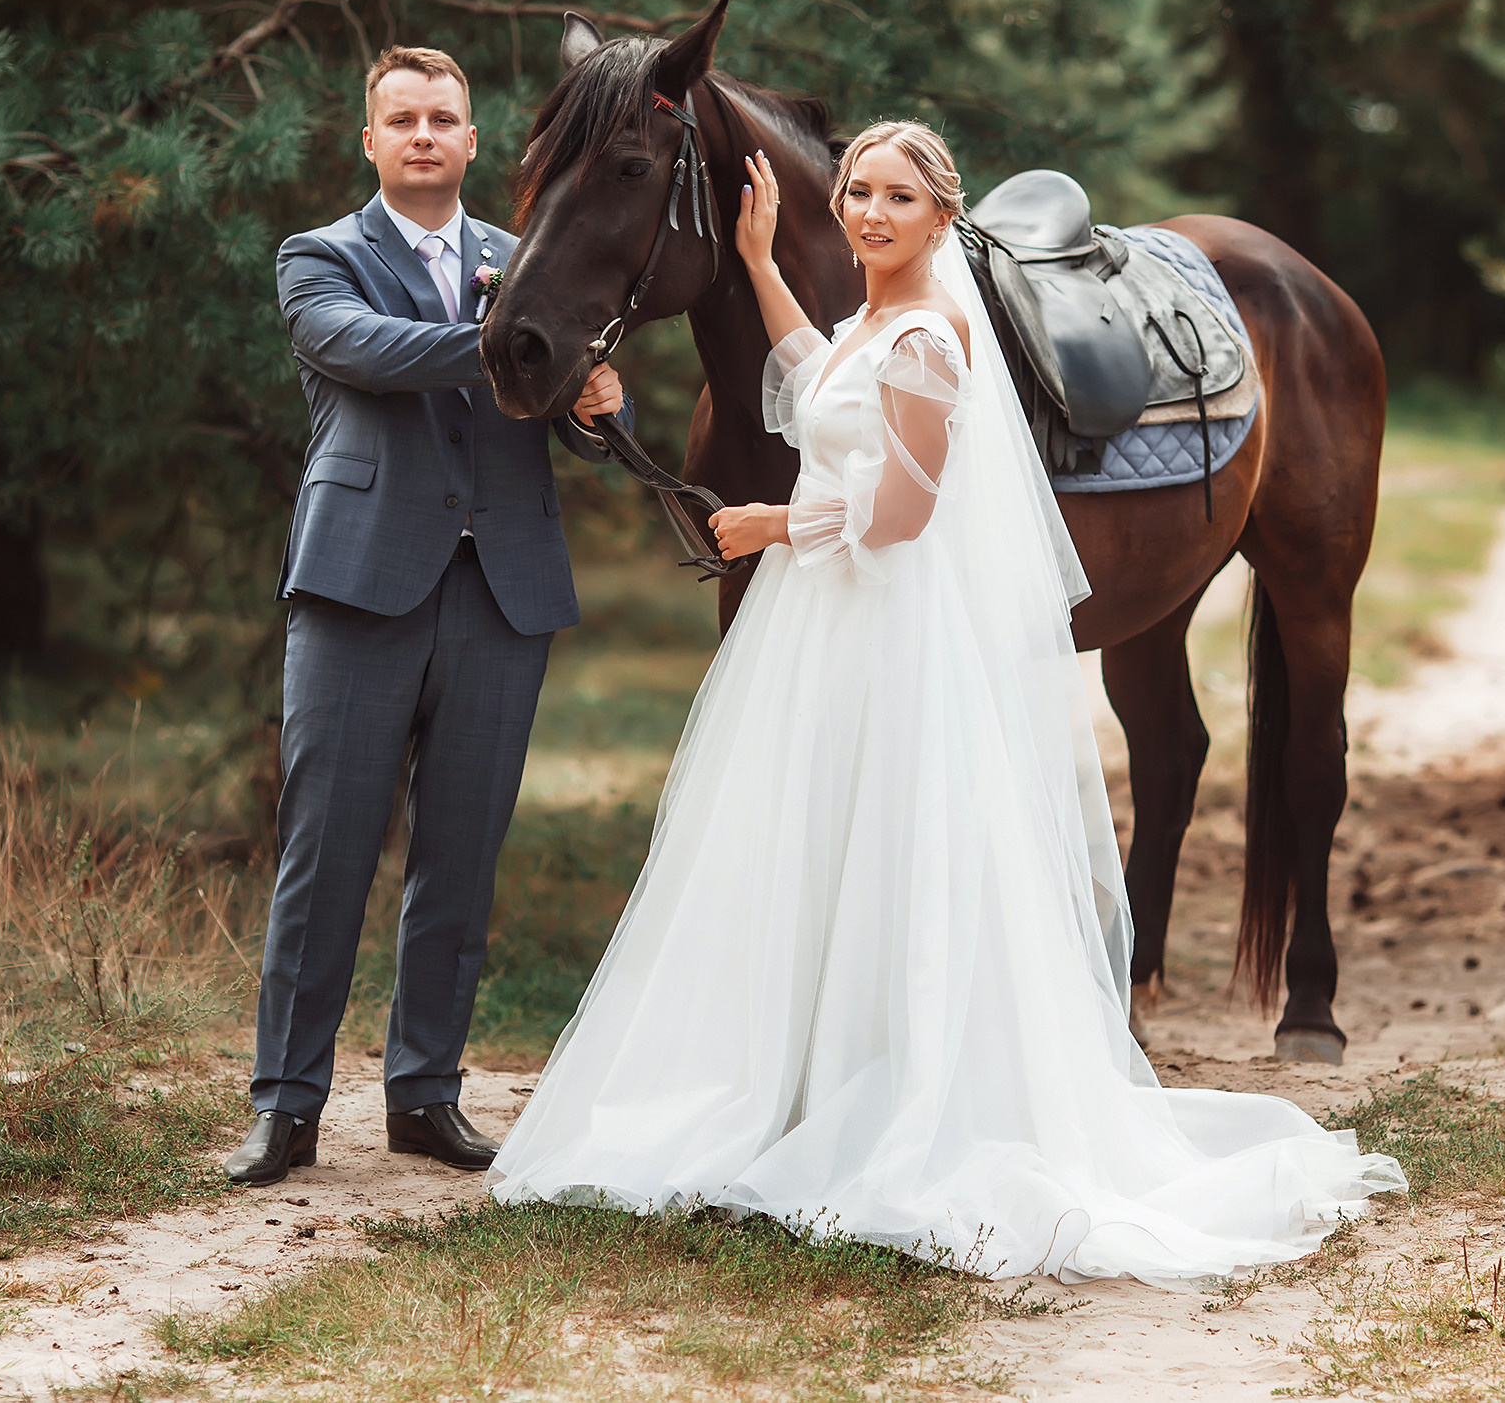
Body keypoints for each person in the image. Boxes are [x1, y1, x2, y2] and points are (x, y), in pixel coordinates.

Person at [486, 122, 1405, 1286]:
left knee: (901, 837)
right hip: (838, 627)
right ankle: (822, 1075)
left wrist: (775, 524)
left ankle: (911, 1090)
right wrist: (759, 262)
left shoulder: (926, 333)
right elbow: (815, 380)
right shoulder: (868, 325)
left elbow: (903, 513)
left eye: (898, 198)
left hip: (886, 616)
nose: (870, 213)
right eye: (857, 192)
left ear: (942, 216)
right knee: (832, 841)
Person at [224, 45, 634, 1186]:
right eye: (401, 118)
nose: (421, 134)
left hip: (503, 591)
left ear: (470, 140)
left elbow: (589, 427)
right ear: (370, 140)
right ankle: (286, 1105)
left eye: (441, 118)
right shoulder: (319, 256)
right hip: (361, 583)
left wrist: (595, 401)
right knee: (326, 852)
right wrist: (528, 347)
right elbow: (363, 350)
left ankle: (425, 1094)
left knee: (461, 857)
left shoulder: (528, 259)